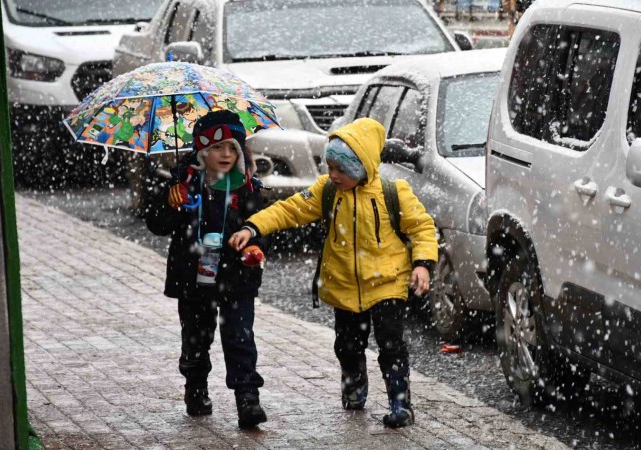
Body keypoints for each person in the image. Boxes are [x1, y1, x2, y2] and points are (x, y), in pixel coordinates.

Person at [228, 117, 438, 428]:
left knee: (391, 344)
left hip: (388, 284)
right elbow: (291, 209)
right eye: (330, 167)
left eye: (341, 169)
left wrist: (422, 264)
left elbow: (422, 228)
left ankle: (400, 401)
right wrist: (253, 225)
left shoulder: (393, 193)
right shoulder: (327, 191)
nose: (333, 175)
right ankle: (354, 384)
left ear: (362, 168)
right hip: (343, 286)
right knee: (347, 345)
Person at [145, 110, 269, 428]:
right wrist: (169, 203)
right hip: (194, 276)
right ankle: (196, 385)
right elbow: (157, 225)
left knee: (240, 336)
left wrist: (255, 246)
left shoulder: (248, 187)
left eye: (232, 148)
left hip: (237, 276)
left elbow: (263, 227)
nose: (225, 155)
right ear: (202, 151)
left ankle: (247, 397)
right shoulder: (184, 184)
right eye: (217, 147)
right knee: (197, 338)